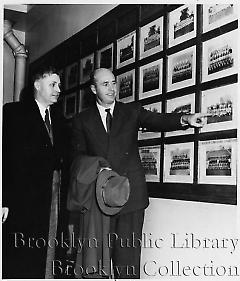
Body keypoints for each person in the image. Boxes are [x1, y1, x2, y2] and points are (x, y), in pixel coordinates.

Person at [70, 68, 208, 279]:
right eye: (104, 84)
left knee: (128, 263)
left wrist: (185, 119)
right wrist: (98, 167)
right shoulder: (82, 120)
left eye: (113, 83)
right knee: (98, 262)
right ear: (93, 88)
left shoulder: (131, 111)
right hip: (100, 199)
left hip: (131, 198)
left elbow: (157, 120)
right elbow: (76, 157)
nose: (111, 88)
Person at [2, 66, 69, 278]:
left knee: (50, 249)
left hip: (54, 198)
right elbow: (5, 158)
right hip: (24, 201)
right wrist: (4, 199)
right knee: (23, 256)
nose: (59, 89)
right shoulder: (13, 113)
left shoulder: (60, 119)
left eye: (59, 85)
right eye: (53, 84)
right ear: (37, 85)